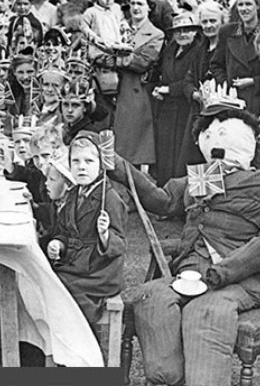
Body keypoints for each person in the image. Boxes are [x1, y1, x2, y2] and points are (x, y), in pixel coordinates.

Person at [109, 87, 260, 386]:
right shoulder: (198, 179)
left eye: (226, 134)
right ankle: (170, 379)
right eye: (210, 134)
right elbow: (161, 199)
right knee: (149, 298)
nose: (217, 142)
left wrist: (224, 271)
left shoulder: (257, 183)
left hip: (239, 279)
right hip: (192, 274)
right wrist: (116, 164)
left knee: (206, 313)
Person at [47, 130, 126, 325]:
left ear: (101, 166)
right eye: (76, 161)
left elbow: (120, 244)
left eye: (89, 161)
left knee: (56, 285)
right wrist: (59, 244)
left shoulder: (110, 199)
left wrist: (104, 234)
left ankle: (82, 332)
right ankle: (65, 334)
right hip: (77, 263)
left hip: (99, 270)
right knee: (45, 276)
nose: (81, 167)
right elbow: (65, 231)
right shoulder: (73, 193)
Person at [113, 0, 164, 168]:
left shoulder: (156, 34)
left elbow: (144, 62)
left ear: (149, 7)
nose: (136, 8)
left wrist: (120, 58)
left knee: (135, 145)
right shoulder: (118, 28)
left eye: (140, 4)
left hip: (136, 92)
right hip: (112, 88)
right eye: (133, 3)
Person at [152, 12, 204, 185]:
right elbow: (161, 72)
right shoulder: (170, 49)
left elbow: (193, 79)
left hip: (186, 107)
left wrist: (170, 89)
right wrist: (158, 89)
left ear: (195, 31)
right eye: (178, 31)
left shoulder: (199, 50)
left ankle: (183, 199)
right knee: (165, 153)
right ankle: (165, 195)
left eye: (187, 30)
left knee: (183, 154)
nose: (182, 34)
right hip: (167, 108)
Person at [179, 2, 226, 172]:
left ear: (222, 22)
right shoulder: (200, 49)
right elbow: (188, 80)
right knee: (195, 157)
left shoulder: (227, 47)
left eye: (213, 21)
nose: (209, 26)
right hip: (199, 111)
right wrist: (194, 94)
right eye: (205, 22)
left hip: (221, 111)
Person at [210, 0, 260, 116]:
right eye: (240, 4)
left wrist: (253, 81)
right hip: (234, 101)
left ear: (258, 6)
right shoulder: (227, 32)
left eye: (248, 4)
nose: (244, 9)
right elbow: (216, 65)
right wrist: (227, 85)